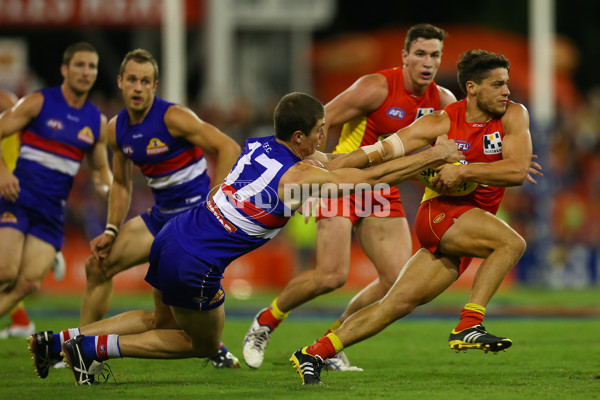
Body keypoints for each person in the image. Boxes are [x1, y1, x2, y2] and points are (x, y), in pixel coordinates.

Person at [28, 92, 463, 386]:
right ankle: (88, 348)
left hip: (176, 233)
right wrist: (431, 155)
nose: (324, 135)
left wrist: (402, 143)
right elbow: (367, 177)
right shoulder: (299, 177)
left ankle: (60, 339)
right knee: (195, 343)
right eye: (320, 129)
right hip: (196, 261)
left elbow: (343, 160)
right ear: (300, 137)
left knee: (160, 323)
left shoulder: (261, 146)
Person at [289, 50, 541, 385]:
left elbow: (517, 170)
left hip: (468, 225)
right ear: (473, 88)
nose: (506, 91)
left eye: (506, 83)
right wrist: (328, 165)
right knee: (512, 243)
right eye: (497, 85)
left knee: (395, 305)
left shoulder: (514, 115)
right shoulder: (439, 122)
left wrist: (462, 170)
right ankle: (470, 323)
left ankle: (314, 352)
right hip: (441, 214)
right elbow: (377, 152)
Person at [243, 23, 456, 371]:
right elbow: (317, 126)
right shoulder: (375, 87)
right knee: (331, 275)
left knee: (396, 283)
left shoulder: (444, 102)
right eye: (420, 54)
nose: (427, 62)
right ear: (404, 57)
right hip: (342, 183)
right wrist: (309, 181)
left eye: (434, 55)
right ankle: (265, 323)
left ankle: (329, 344)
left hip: (382, 189)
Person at [78, 49, 242, 368]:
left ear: (155, 86)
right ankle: (77, 346)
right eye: (132, 80)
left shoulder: (174, 117)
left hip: (191, 226)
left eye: (145, 81)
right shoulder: (116, 129)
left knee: (165, 319)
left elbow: (229, 146)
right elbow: (122, 185)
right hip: (160, 220)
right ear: (120, 82)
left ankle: (213, 346)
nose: (138, 87)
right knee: (97, 266)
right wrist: (111, 229)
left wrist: (216, 203)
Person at [0, 43, 112, 337]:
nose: (86, 72)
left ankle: (21, 321)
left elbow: (101, 171)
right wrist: (2, 171)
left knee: (28, 285)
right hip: (18, 199)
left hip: (51, 212)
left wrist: (107, 189)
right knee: (5, 272)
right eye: (80, 65)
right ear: (65, 69)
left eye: (91, 66)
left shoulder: (96, 122)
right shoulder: (38, 102)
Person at [0, 90, 68, 339]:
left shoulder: (7, 101)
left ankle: (42, 246)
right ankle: (20, 321)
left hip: (15, 187)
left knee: (8, 273)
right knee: (8, 274)